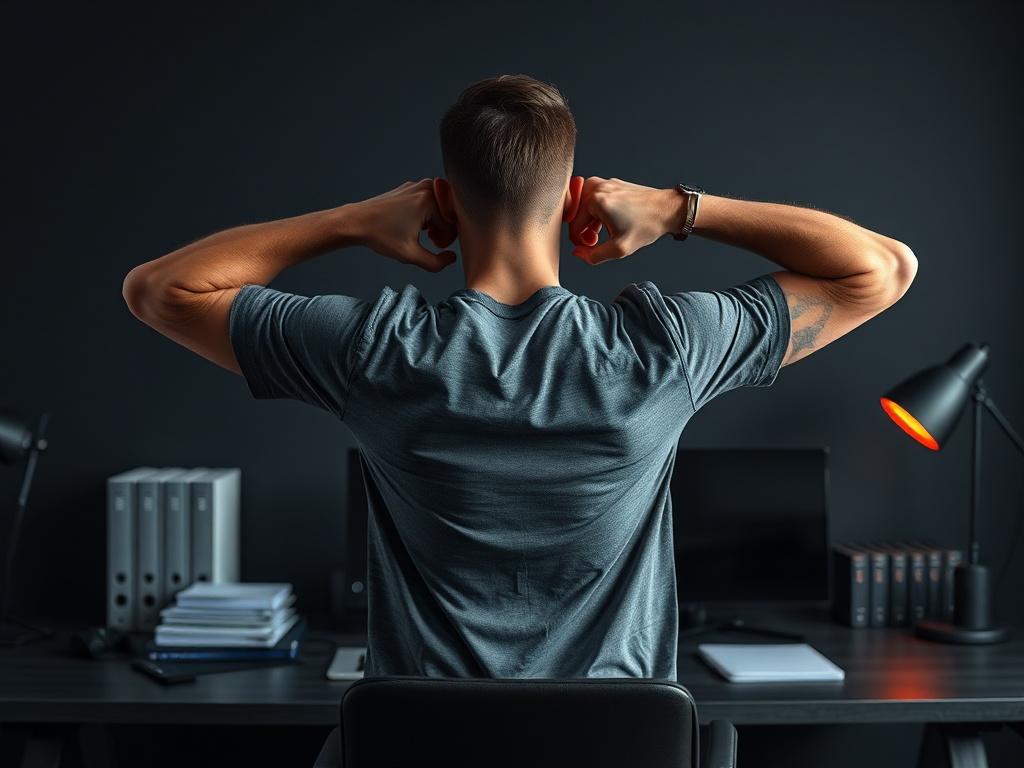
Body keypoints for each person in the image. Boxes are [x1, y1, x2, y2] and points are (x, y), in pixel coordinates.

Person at [123, 74, 917, 680]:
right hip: (617, 751)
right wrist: (679, 209)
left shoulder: (376, 351)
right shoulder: (662, 349)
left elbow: (160, 291)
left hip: (424, 752)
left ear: (439, 197)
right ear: (575, 195)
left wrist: (352, 221)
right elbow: (881, 269)